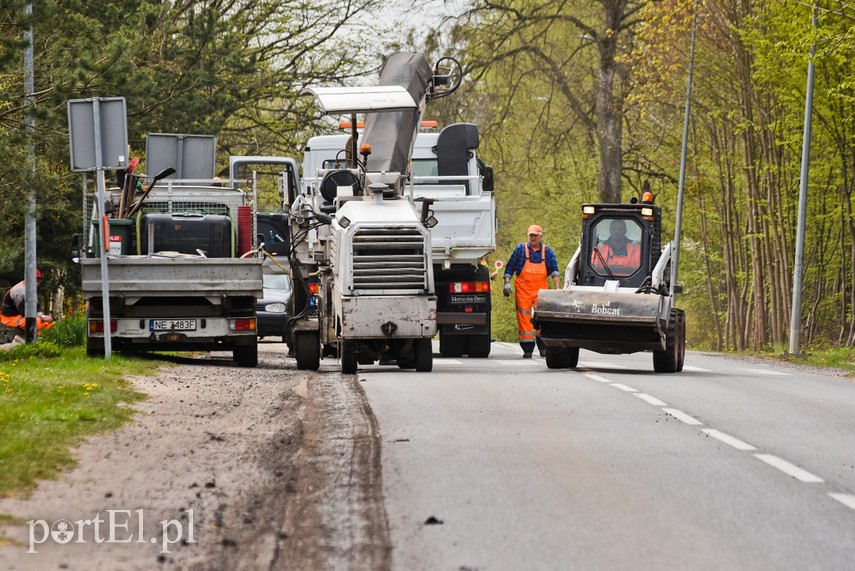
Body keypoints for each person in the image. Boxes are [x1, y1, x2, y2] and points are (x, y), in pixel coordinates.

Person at [503, 225, 560, 358]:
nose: (532, 238)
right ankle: (527, 349)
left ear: (541, 236)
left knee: (542, 318)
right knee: (524, 318)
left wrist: (557, 289)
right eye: (531, 235)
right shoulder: (520, 250)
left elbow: (554, 271)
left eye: (535, 235)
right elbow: (510, 267)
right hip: (523, 290)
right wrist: (506, 283)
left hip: (541, 291)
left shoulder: (547, 252)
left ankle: (543, 347)